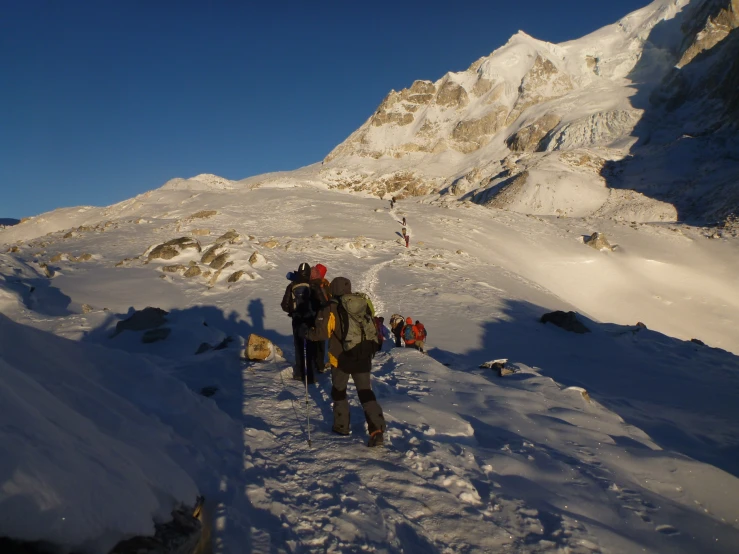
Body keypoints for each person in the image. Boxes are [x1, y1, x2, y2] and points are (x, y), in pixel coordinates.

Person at [305, 277, 386, 447]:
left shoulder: (331, 307)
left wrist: (306, 333)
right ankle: (377, 429)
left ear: (333, 289)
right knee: (365, 392)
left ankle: (341, 426)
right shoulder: (363, 303)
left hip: (340, 358)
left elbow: (322, 334)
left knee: (339, 392)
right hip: (363, 354)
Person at [280, 262, 317, 384]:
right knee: (311, 346)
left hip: (297, 320)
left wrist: (292, 311)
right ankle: (311, 376)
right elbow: (320, 303)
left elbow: (284, 305)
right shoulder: (313, 285)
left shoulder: (292, 286)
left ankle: (299, 373)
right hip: (311, 320)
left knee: (299, 346)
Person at [310, 263, 332, 373]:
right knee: (321, 340)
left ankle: (314, 362)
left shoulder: (309, 284)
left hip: (311, 316)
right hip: (322, 316)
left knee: (313, 339)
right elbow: (327, 301)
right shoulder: (324, 285)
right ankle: (319, 364)